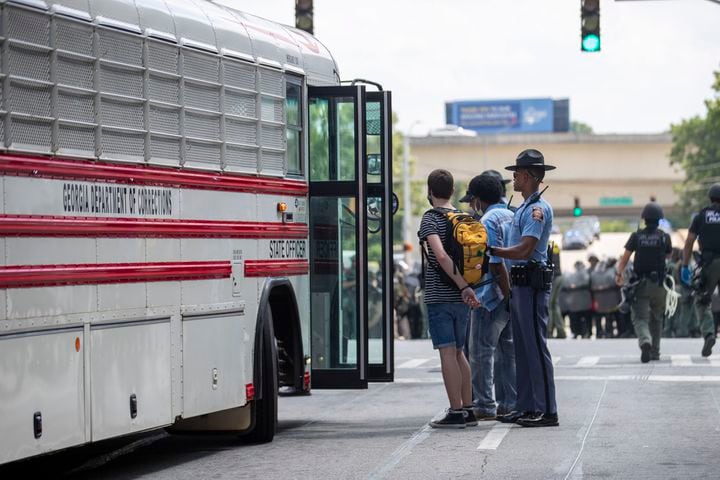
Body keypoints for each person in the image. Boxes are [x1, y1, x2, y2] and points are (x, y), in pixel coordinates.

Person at [488, 149, 559, 428]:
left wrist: (494, 250)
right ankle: (527, 406)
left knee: (535, 348)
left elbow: (526, 248)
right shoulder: (524, 208)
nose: (513, 178)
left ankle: (547, 409)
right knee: (522, 348)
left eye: (516, 174)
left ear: (528, 176)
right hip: (520, 285)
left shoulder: (537, 210)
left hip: (531, 284)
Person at [418, 169, 481, 428]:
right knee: (459, 352)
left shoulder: (430, 219)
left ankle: (455, 411)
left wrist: (462, 286)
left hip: (441, 295)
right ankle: (468, 409)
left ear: (430, 191)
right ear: (453, 191)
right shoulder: (464, 217)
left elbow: (441, 256)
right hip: (462, 297)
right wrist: (466, 287)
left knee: (446, 351)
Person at [460, 173, 516, 420]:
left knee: (481, 351)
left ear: (479, 200)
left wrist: (504, 295)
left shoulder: (487, 220)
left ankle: (485, 404)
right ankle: (509, 402)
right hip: (513, 293)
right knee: (507, 353)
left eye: (473, 201)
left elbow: (494, 263)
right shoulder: (513, 215)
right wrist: (512, 296)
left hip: (491, 294)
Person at [616, 202, 672, 363]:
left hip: (640, 284)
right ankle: (655, 351)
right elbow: (668, 256)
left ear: (644, 219)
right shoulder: (664, 237)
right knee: (657, 318)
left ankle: (645, 340)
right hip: (660, 284)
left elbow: (625, 258)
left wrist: (619, 274)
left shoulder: (636, 236)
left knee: (640, 317)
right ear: (659, 219)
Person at [681, 183, 720, 357]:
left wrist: (684, 265)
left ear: (710, 198)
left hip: (709, 263)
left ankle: (709, 334)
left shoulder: (701, 216)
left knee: (702, 300)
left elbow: (689, 242)